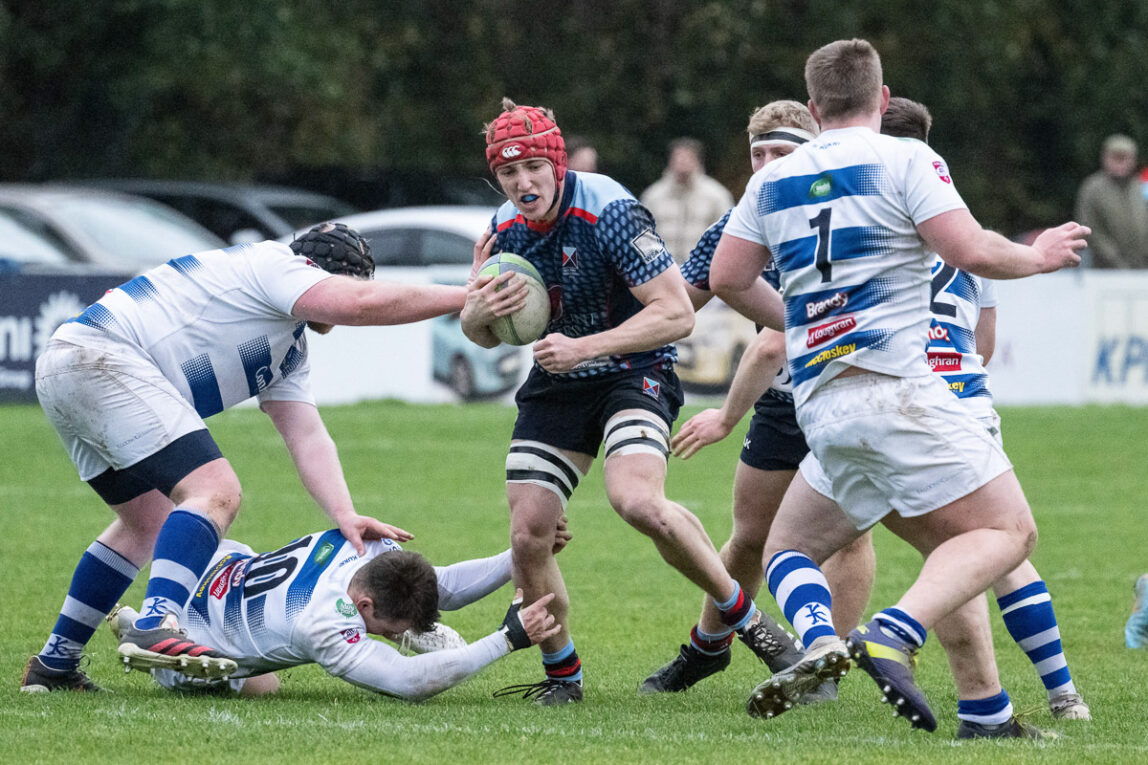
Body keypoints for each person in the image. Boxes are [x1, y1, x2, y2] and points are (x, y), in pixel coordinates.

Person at [710, 39, 1087, 732]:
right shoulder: (908, 157)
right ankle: (895, 631)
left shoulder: (771, 180)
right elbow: (969, 249)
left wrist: (800, 320)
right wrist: (1037, 257)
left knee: (787, 550)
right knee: (1010, 530)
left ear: (815, 106)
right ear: (882, 101)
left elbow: (728, 277)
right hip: (896, 390)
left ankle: (981, 709)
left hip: (823, 406)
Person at [21, 223, 467, 693]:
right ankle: (158, 622)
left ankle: (55, 664)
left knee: (146, 526)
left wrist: (345, 514)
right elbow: (355, 304)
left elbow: (306, 435)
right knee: (215, 491)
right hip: (106, 355)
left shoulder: (289, 344)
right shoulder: (279, 267)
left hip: (74, 363)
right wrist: (465, 297)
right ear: (325, 276)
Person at [461, 98, 767, 706]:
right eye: (508, 174)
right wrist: (475, 310)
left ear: (557, 163)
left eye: (533, 169)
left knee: (637, 502)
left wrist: (584, 348)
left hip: (634, 370)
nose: (522, 184)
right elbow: (480, 330)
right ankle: (562, 676)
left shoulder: (610, 209)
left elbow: (677, 313)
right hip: (557, 381)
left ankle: (746, 622)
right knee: (528, 535)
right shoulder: (502, 229)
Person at [640, 100, 875, 698]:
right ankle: (708, 647)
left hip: (848, 394)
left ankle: (823, 669)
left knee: (849, 538)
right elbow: (678, 302)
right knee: (749, 536)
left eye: (782, 153)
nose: (768, 164)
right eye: (759, 154)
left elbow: (775, 339)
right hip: (784, 401)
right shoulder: (739, 221)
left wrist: (724, 416)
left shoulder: (844, 211)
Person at [104, 527, 566, 699]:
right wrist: (506, 638)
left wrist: (523, 551)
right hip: (197, 645)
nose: (387, 637)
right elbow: (408, 681)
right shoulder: (326, 622)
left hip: (213, 566)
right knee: (260, 686)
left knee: (267, 678)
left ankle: (150, 615)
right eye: (388, 630)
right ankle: (153, 637)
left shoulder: (364, 545)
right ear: (364, 606)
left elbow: (443, 585)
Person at [640, 137, 734, 263]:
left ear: (698, 161)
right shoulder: (653, 196)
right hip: (663, 271)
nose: (683, 161)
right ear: (670, 161)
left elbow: (727, 235)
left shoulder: (716, 196)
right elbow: (643, 236)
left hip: (703, 271)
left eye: (688, 157)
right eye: (678, 157)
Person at [1074, 133, 1148, 268]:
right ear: (1105, 158)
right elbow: (1088, 227)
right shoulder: (1092, 188)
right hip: (1104, 268)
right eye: (1115, 157)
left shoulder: (1142, 185)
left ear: (1133, 159)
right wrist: (1114, 257)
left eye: (1124, 158)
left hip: (1143, 265)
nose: (1120, 163)